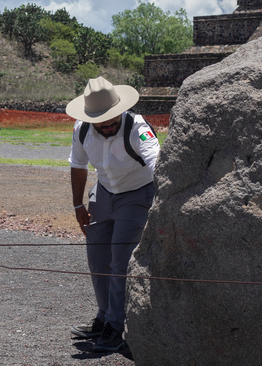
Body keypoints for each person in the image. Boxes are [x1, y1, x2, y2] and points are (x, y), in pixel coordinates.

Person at [66, 76, 160, 352]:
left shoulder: (138, 127)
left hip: (137, 194)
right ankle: (104, 316)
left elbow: (156, 160)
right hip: (104, 193)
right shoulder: (81, 129)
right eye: (102, 123)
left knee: (120, 263)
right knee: (97, 259)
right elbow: (78, 165)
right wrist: (77, 205)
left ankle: (116, 327)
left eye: (112, 121)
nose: (108, 126)